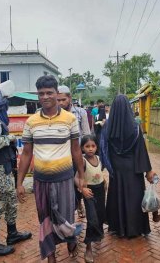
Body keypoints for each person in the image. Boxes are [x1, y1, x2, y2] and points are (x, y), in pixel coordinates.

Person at [17, 75, 85, 263]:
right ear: (37, 96)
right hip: (41, 181)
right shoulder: (31, 122)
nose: (45, 97)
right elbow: (26, 153)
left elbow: (76, 149)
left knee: (65, 218)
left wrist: (81, 175)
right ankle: (51, 256)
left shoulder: (70, 119)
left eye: (49, 93)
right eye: (41, 93)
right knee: (45, 219)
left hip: (64, 179)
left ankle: (71, 240)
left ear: (57, 94)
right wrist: (19, 183)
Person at [0, 81, 32, 257]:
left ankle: (12, 234)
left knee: (10, 203)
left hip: (4, 171)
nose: (7, 107)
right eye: (5, 103)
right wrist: (9, 138)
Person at [100, 94, 158, 237]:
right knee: (134, 196)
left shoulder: (107, 126)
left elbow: (103, 147)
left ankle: (118, 227)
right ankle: (135, 228)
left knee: (117, 195)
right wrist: (147, 170)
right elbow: (141, 150)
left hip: (116, 167)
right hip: (133, 168)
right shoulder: (135, 127)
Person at [57, 85, 91, 219]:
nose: (60, 103)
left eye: (63, 100)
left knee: (79, 181)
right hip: (62, 156)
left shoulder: (80, 113)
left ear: (69, 98)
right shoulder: (55, 114)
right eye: (58, 100)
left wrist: (86, 155)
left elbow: (87, 134)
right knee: (66, 184)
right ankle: (71, 208)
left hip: (77, 155)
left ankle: (79, 204)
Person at [74, 135, 106, 263]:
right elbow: (76, 178)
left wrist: (104, 181)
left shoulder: (98, 158)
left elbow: (97, 173)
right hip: (89, 192)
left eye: (93, 146)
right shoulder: (82, 161)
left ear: (97, 147)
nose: (90, 149)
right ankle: (88, 247)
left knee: (100, 216)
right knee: (92, 219)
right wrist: (83, 189)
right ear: (82, 148)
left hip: (100, 191)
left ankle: (97, 234)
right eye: (87, 146)